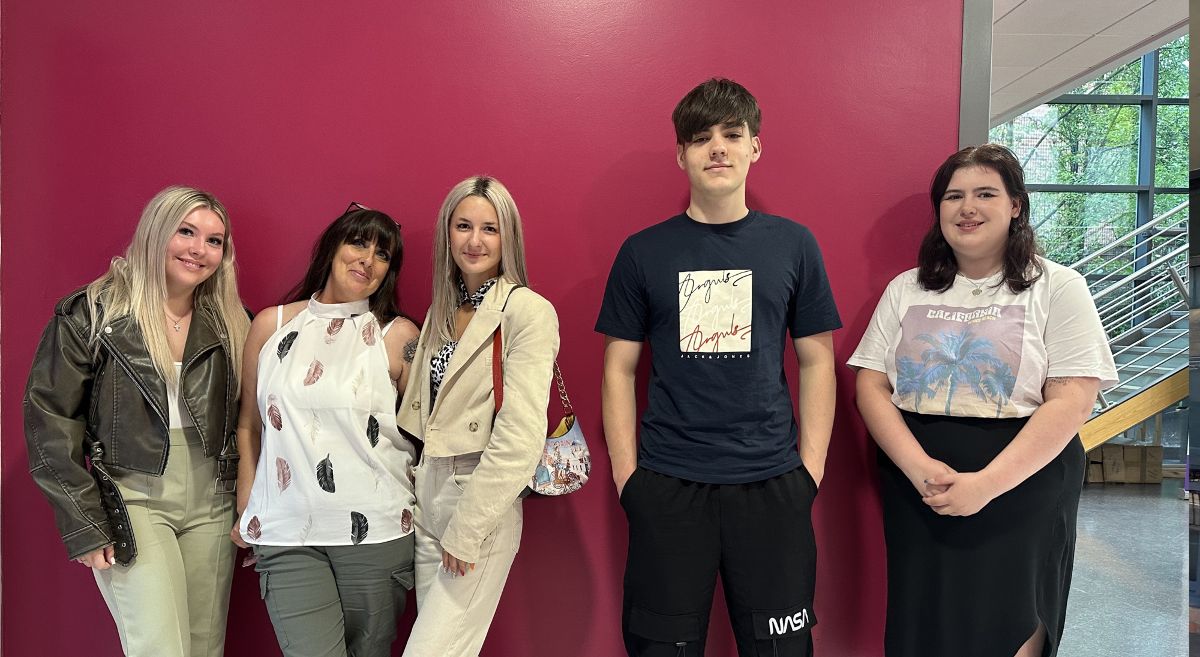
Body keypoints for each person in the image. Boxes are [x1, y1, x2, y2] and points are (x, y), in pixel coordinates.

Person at [596, 78, 840, 656]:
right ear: (681, 153)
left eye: (733, 135)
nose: (718, 149)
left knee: (782, 650)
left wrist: (810, 473)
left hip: (772, 485)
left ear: (756, 146)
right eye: (701, 138)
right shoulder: (643, 252)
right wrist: (629, 479)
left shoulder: (794, 245)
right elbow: (617, 369)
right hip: (668, 487)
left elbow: (817, 360)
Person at [848, 144, 1118, 657]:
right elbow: (871, 385)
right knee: (924, 618)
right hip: (919, 485)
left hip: (1023, 486)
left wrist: (986, 486)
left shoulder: (1058, 286)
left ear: (1016, 204)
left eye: (985, 193)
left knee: (1010, 618)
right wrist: (919, 467)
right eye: (954, 196)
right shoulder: (907, 289)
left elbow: (1072, 399)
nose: (967, 207)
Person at [24, 186, 251, 657]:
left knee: (205, 647)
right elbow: (49, 419)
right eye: (185, 231)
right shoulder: (92, 312)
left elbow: (251, 420)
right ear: (155, 232)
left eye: (214, 241)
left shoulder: (231, 320)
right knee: (159, 648)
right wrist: (84, 521)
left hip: (214, 495)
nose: (198, 250)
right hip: (132, 496)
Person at [232, 202, 420, 657]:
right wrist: (247, 507)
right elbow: (247, 428)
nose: (367, 259)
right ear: (332, 245)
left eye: (383, 254)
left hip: (377, 530)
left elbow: (425, 435)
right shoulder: (270, 325)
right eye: (358, 242)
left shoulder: (397, 335)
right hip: (287, 530)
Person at [397, 175, 559, 657]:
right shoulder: (441, 311)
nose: (474, 240)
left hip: (478, 499)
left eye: (490, 228)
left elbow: (520, 434)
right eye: (463, 225)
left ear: (508, 236)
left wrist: (468, 528)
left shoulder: (527, 311)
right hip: (427, 495)